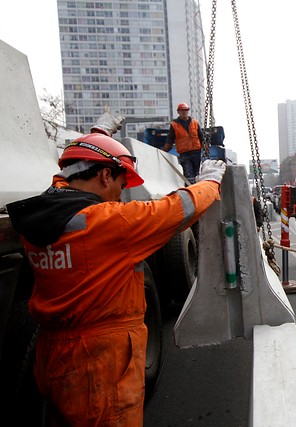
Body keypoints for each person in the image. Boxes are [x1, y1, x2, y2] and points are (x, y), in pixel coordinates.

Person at [7, 133, 226, 426]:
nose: (121, 195)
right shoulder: (107, 224)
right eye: (122, 186)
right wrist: (210, 183)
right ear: (106, 175)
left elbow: (61, 183)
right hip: (100, 366)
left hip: (53, 359)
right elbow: (175, 210)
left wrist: (91, 142)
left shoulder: (38, 220)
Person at [162, 102, 205, 184]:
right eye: (182, 110)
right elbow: (170, 139)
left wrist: (205, 145)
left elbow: (201, 136)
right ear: (178, 112)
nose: (184, 112)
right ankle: (189, 190)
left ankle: (196, 189)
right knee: (188, 174)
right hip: (185, 154)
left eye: (186, 110)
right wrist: (165, 149)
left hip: (196, 152)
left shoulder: (195, 123)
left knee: (196, 174)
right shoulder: (174, 125)